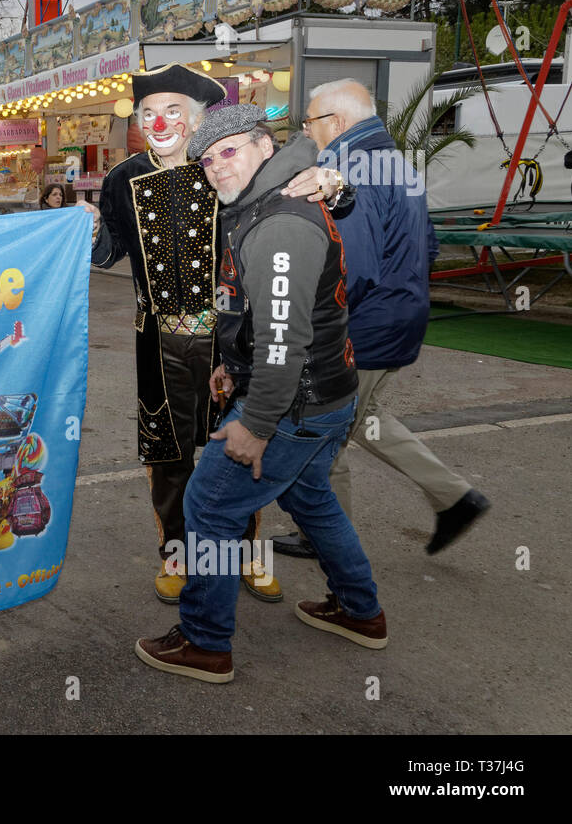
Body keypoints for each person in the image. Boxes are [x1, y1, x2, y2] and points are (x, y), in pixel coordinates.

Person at [136, 104, 385, 683]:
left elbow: (282, 343)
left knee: (209, 506)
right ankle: (360, 610)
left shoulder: (278, 223)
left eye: (230, 151)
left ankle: (205, 642)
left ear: (264, 147)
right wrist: (230, 364)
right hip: (322, 396)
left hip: (295, 404)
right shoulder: (261, 202)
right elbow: (256, 314)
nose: (216, 167)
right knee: (311, 500)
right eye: (206, 159)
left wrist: (258, 423)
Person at [88, 64, 285, 603]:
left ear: (197, 117)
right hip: (158, 341)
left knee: (238, 449)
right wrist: (81, 228)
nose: (159, 121)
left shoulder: (222, 164)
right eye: (149, 112)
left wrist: (332, 182)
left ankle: (246, 551)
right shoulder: (122, 178)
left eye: (173, 110)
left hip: (228, 342)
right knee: (168, 455)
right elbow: (106, 253)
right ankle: (177, 553)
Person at [271, 79, 490, 560]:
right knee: (363, 418)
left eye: (310, 122)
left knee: (321, 437)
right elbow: (427, 247)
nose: (307, 132)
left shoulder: (346, 168)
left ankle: (328, 541)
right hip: (401, 315)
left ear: (337, 123)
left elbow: (354, 268)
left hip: (361, 324)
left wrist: (316, 326)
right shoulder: (398, 165)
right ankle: (454, 497)